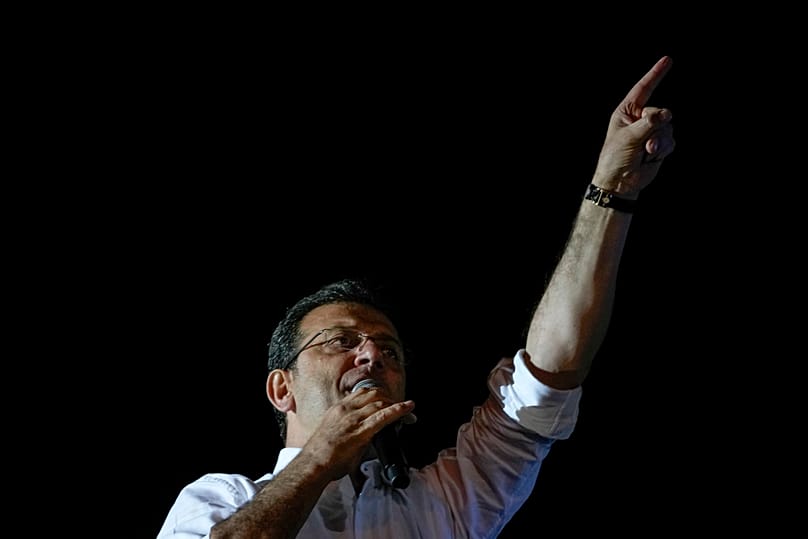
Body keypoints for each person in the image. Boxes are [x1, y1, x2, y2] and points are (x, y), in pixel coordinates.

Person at [157, 55, 676, 539]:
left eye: (390, 351)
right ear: (281, 388)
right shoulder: (219, 499)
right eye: (340, 341)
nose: (372, 355)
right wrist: (318, 460)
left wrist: (612, 187)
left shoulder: (447, 501)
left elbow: (549, 375)